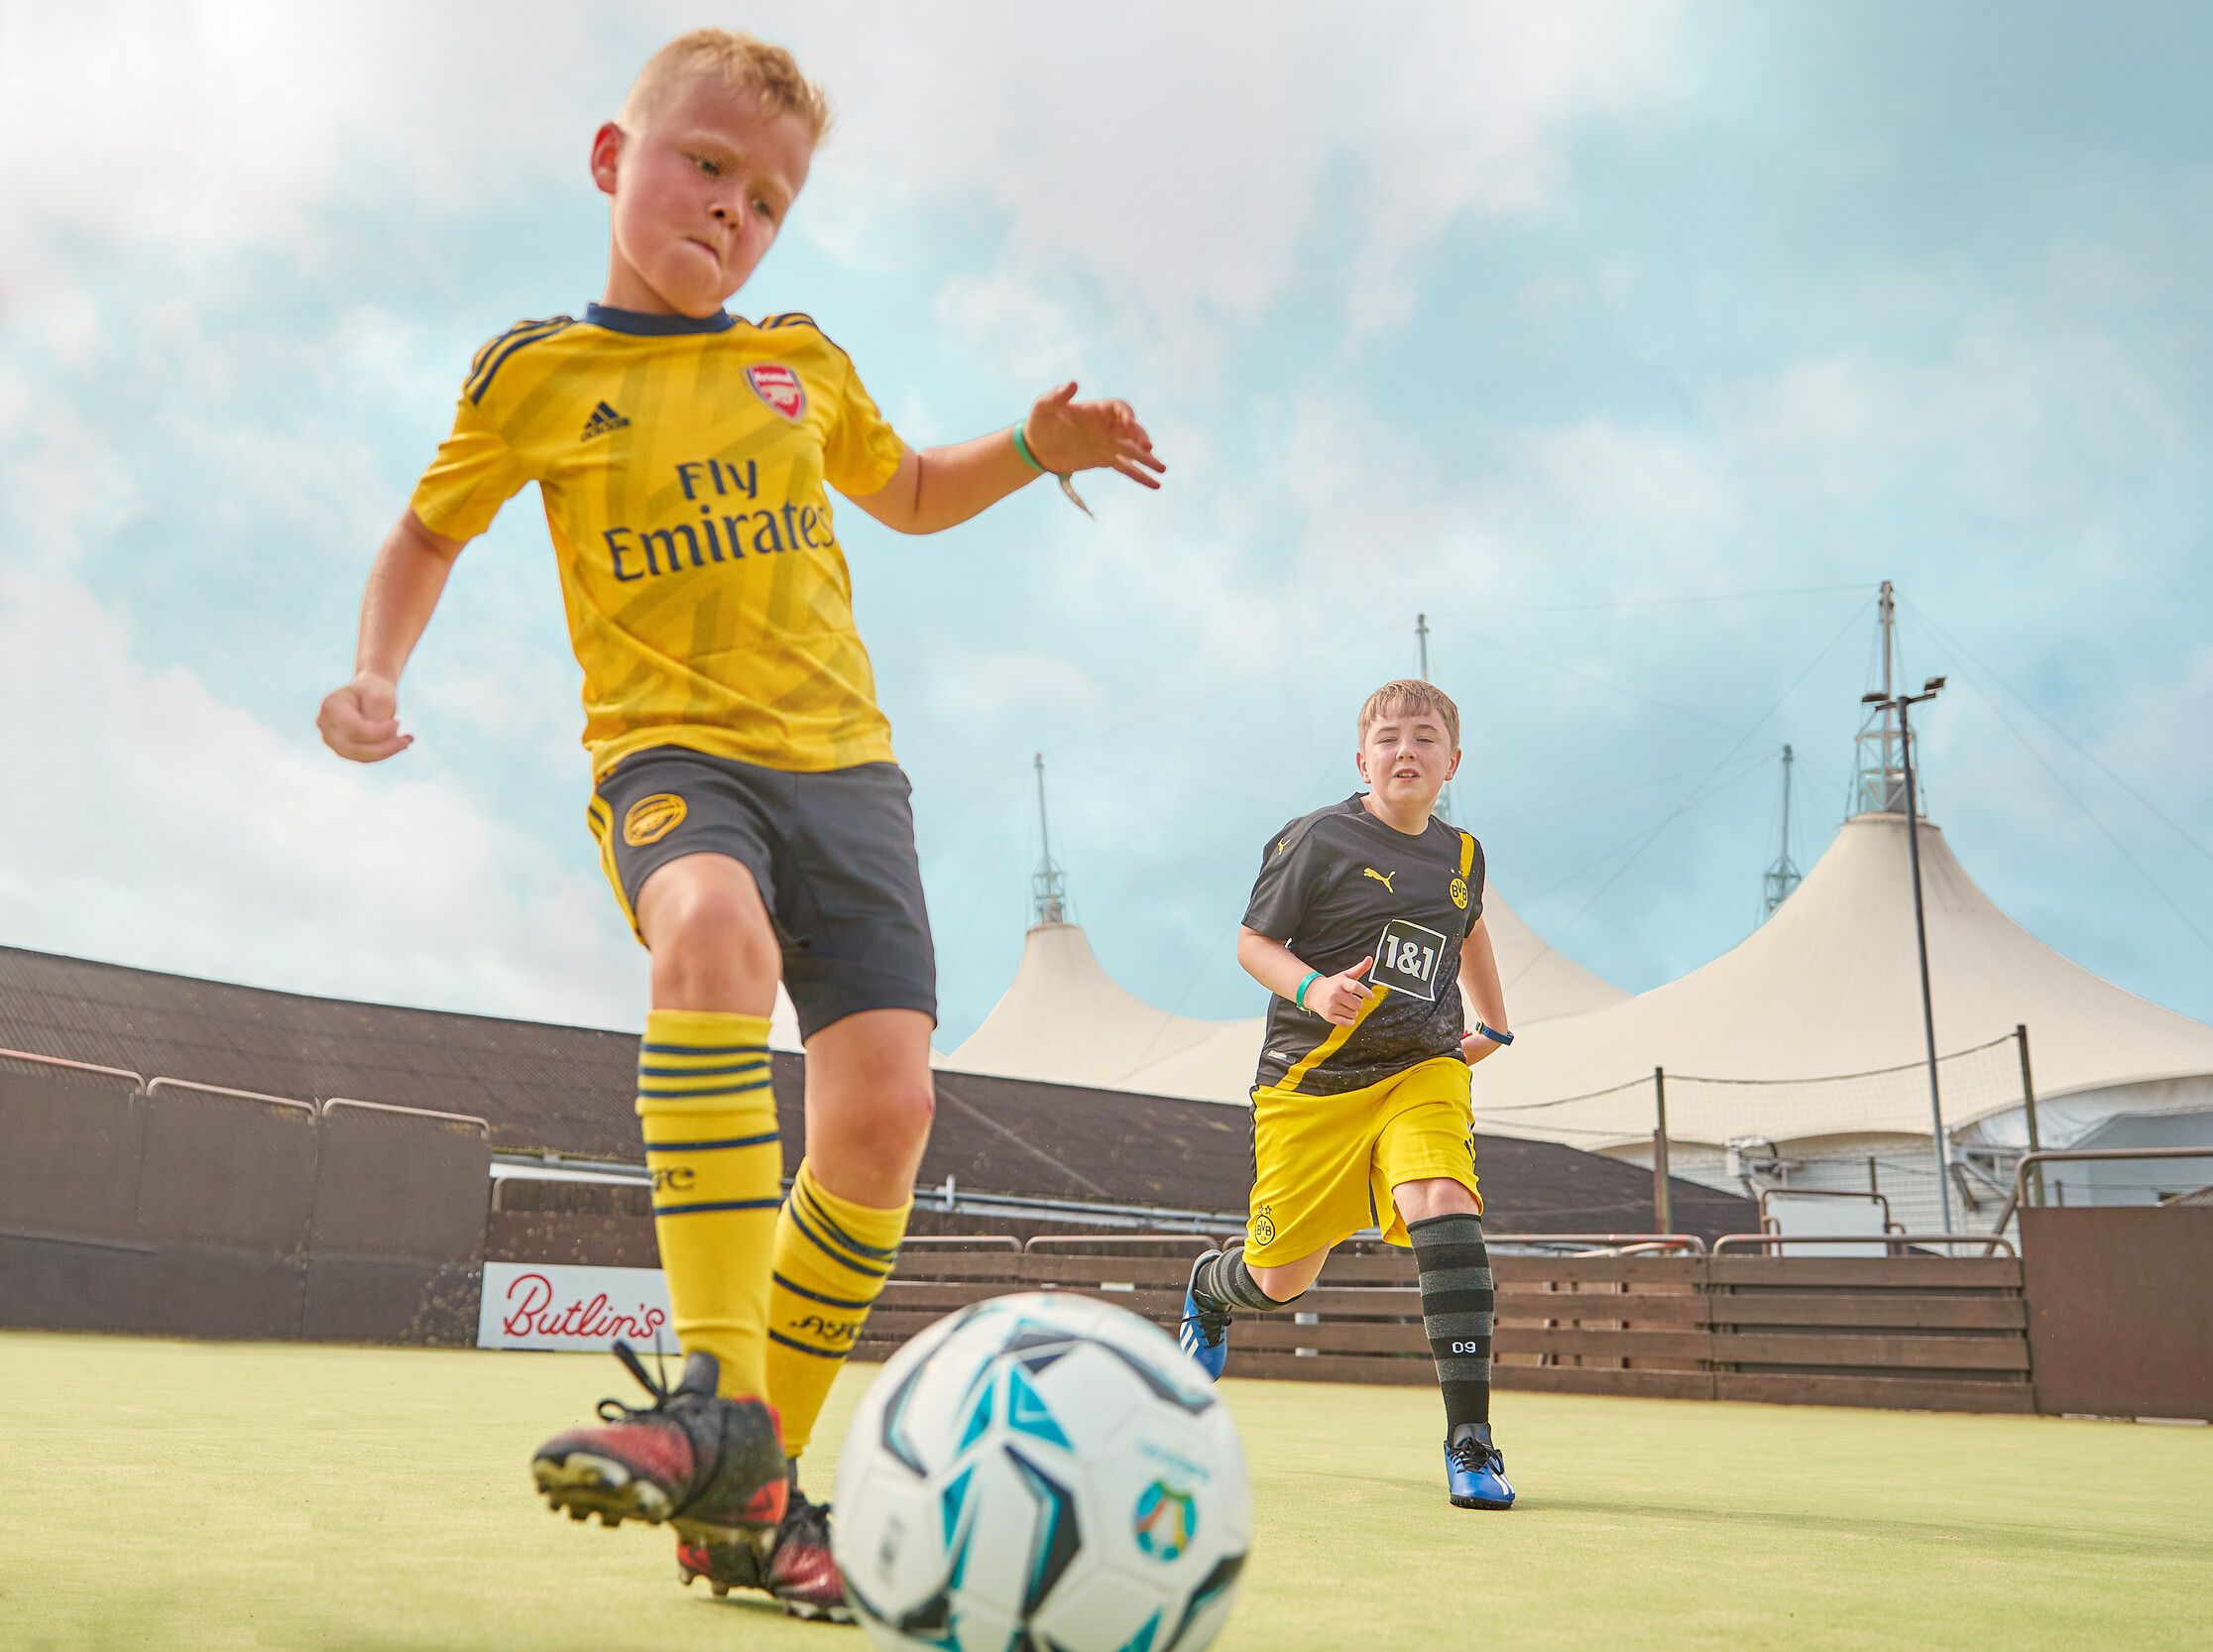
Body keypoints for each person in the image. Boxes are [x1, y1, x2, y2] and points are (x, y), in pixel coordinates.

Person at [314, 28, 1161, 1621]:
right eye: (706, 166)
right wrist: (372, 671)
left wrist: (1032, 446)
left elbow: (904, 488)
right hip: (671, 757)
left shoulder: (800, 361)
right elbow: (425, 534)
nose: (731, 210)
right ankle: (713, 1394)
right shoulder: (536, 375)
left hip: (848, 778)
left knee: (885, 1117)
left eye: (767, 198)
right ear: (609, 160)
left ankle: (748, 1499)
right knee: (707, 932)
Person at [1178, 678, 1517, 1509]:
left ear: (1452, 762)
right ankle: (1207, 1288)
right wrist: (1312, 991)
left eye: (1425, 738)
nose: (1407, 750)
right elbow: (1254, 942)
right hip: (1309, 1088)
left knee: (1443, 1197)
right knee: (1279, 1281)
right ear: (1361, 758)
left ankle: (1470, 1442)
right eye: (1391, 738)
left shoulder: (1463, 854)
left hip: (1421, 1068)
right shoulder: (1315, 839)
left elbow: (1467, 927)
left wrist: (1495, 1026)